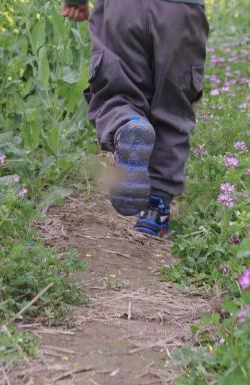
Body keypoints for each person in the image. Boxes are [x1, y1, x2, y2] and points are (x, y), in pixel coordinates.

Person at [62, 0, 209, 237]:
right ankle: (155, 209)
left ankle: (126, 125)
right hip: (182, 10)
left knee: (116, 91)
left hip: (122, 9)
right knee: (173, 104)